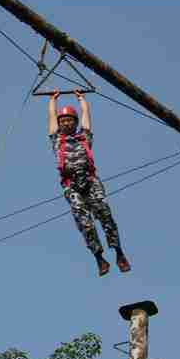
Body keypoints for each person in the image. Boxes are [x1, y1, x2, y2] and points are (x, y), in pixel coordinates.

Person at [48, 89, 131, 276]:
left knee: (105, 214)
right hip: (72, 185)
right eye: (63, 121)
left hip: (91, 181)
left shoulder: (84, 138)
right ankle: (99, 257)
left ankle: (118, 252)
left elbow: (86, 116)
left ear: (74, 123)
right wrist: (53, 101)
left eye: (69, 120)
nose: (66, 123)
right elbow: (51, 119)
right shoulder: (57, 140)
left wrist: (81, 99)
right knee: (84, 221)